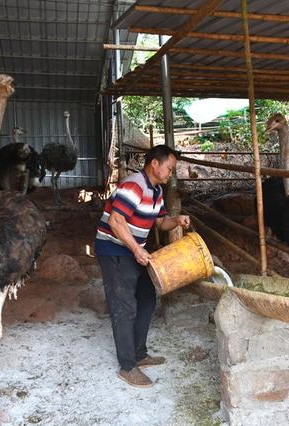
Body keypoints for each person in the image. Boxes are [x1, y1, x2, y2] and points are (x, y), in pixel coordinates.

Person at [95, 145, 190, 388]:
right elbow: (116, 221)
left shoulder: (156, 190)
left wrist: (176, 220)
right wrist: (137, 249)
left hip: (135, 251)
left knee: (147, 298)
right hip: (115, 250)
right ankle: (127, 367)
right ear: (155, 164)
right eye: (169, 168)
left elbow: (160, 222)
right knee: (124, 306)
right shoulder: (134, 185)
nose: (171, 173)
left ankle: (139, 353)